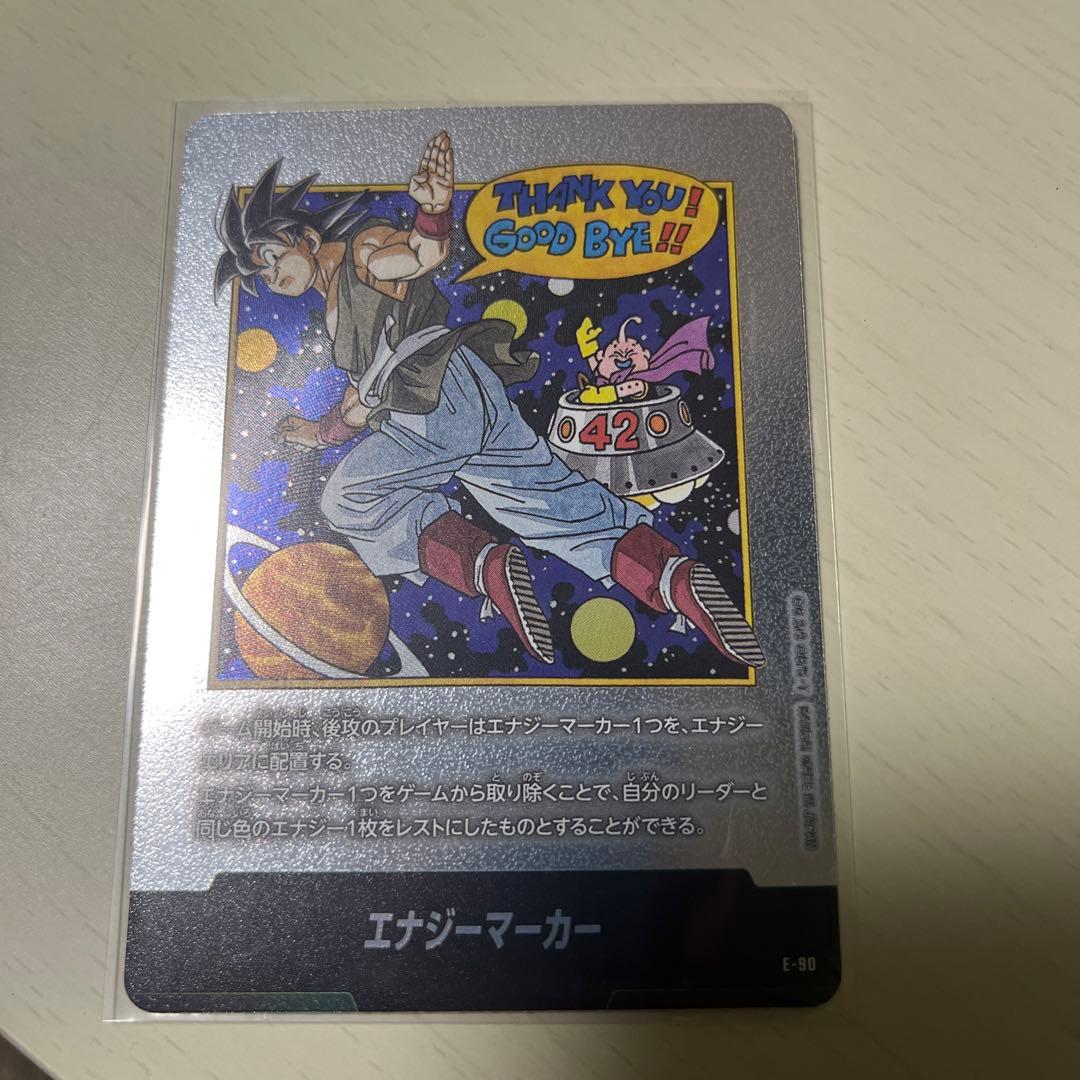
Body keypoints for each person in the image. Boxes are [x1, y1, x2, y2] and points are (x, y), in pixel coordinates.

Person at [215, 132, 764, 669]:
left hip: (431, 404)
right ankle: (674, 579)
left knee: (347, 498)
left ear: (305, 237)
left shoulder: (361, 254)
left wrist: (433, 213)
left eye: (271, 256)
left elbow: (415, 256)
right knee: (551, 503)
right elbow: (361, 402)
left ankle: (483, 564)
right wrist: (318, 433)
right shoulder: (336, 302)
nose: (272, 275)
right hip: (470, 388)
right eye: (262, 274)